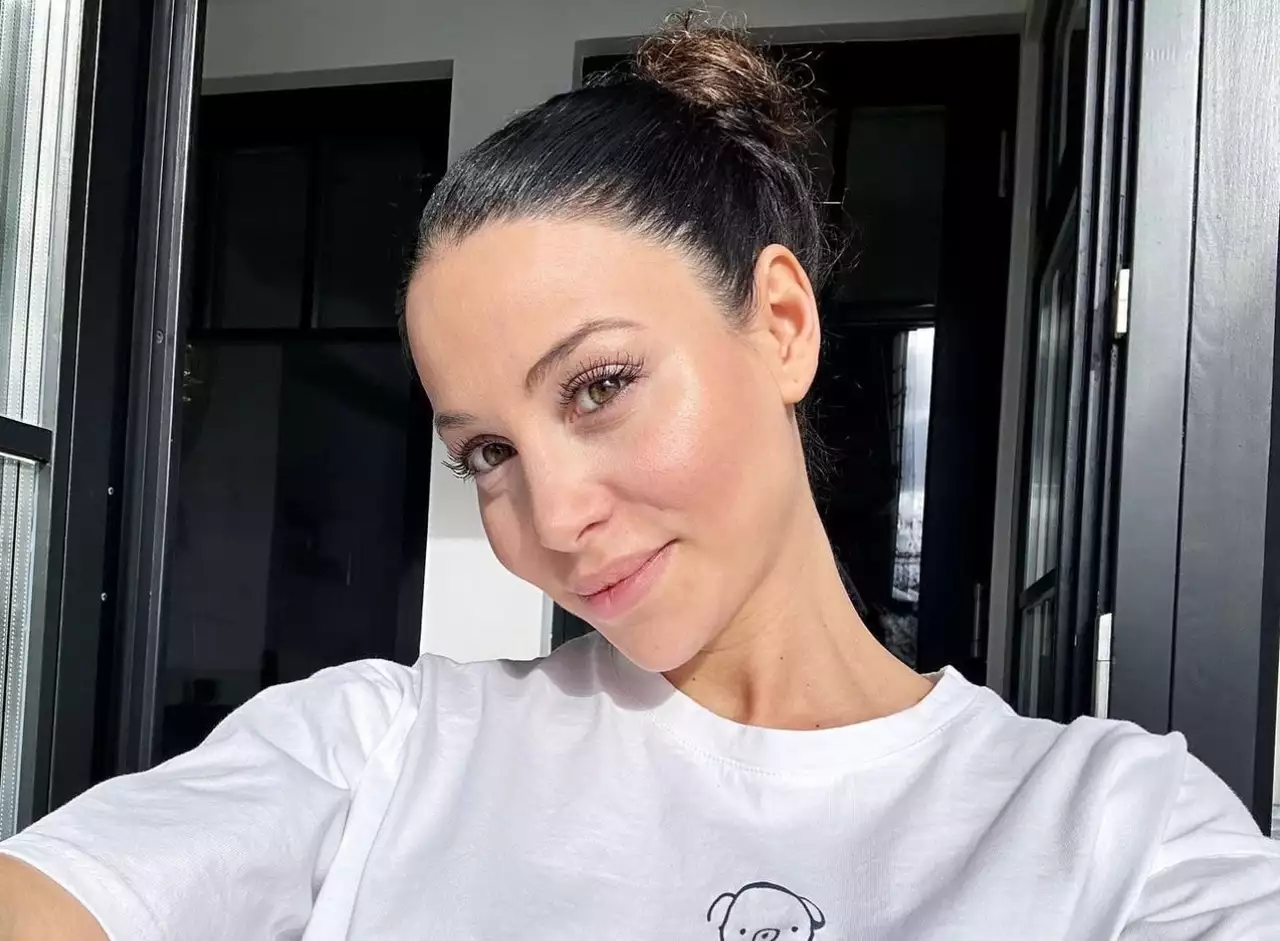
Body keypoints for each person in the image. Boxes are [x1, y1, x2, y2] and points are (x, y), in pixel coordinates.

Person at [2, 14, 1279, 941]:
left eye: (598, 385)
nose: (553, 519)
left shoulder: (1115, 828)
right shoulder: (378, 747)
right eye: (487, 453)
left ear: (780, 324)